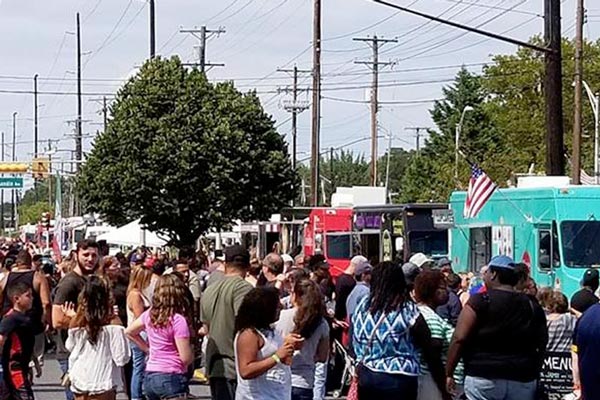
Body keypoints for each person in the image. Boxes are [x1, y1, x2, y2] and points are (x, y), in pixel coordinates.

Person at [446, 255, 548, 400]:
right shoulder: (531, 304)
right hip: (522, 378)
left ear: (494, 274)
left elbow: (459, 337)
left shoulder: (480, 301)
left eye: (486, 272)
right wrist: (533, 371)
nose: (484, 276)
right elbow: (542, 342)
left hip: (483, 377)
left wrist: (449, 373)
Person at [351, 261, 449, 400]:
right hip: (400, 379)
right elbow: (429, 349)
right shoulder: (405, 309)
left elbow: (353, 339)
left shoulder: (363, 306)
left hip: (367, 376)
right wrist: (442, 384)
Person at [126, 274, 194, 400]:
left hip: (151, 374)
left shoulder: (149, 315)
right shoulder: (178, 320)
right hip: (172, 375)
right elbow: (185, 358)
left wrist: (147, 349)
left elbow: (130, 331)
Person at [64, 276, 131, 400]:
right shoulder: (113, 322)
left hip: (80, 379)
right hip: (103, 381)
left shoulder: (77, 320)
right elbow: (121, 358)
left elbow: (70, 347)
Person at [201, 245, 253, 400]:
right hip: (234, 365)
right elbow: (247, 326)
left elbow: (206, 327)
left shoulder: (209, 290)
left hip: (215, 364)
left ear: (225, 264)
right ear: (248, 266)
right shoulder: (243, 288)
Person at [52, 240, 100, 400]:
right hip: (70, 351)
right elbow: (57, 320)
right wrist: (87, 321)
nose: (90, 259)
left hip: (88, 349)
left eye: (94, 255)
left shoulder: (91, 280)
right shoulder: (69, 283)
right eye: (86, 255)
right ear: (76, 255)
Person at [235, 287, 302, 400]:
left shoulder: (272, 330)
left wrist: (288, 346)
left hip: (277, 394)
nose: (280, 307)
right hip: (256, 396)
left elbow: (280, 361)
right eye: (276, 305)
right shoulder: (249, 334)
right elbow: (246, 371)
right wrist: (277, 356)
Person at [0, 249, 51, 378]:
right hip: (33, 322)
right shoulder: (38, 277)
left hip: (10, 322)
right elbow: (46, 303)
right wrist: (47, 321)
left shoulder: (6, 277)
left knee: (13, 353)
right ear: (30, 262)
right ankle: (26, 375)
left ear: (17, 262)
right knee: (29, 353)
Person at [276, 280, 329, 400]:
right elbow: (323, 356)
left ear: (296, 296)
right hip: (304, 382)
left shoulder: (282, 316)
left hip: (281, 379)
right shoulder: (321, 323)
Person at [414, 270, 463, 400]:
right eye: (442, 288)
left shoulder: (425, 313)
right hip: (433, 382)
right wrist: (444, 386)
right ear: (429, 291)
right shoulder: (429, 318)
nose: (447, 291)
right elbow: (433, 355)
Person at [0, 282, 35, 400]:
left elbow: (26, 342)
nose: (32, 299)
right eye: (28, 296)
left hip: (23, 366)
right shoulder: (11, 319)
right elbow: (1, 340)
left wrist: (33, 360)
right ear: (16, 299)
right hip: (15, 369)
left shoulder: (24, 318)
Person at [126, 264, 153, 400]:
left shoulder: (137, 293)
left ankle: (137, 394)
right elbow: (140, 317)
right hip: (139, 335)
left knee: (139, 366)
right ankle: (136, 396)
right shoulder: (136, 295)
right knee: (139, 366)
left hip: (139, 334)